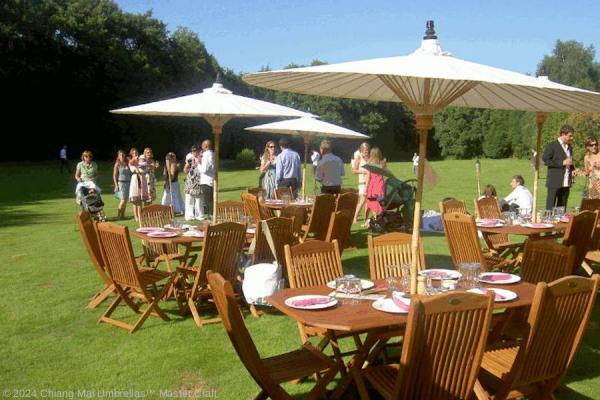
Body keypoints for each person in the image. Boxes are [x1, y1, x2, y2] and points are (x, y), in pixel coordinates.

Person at [543, 124, 575, 209]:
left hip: (566, 182)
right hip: (554, 181)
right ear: (563, 134)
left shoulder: (570, 147)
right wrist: (562, 162)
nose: (572, 138)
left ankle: (560, 222)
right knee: (550, 206)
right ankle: (548, 221)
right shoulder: (552, 146)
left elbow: (569, 162)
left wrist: (573, 169)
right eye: (570, 136)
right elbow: (546, 160)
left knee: (562, 207)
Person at [365, 147, 387, 227]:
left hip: (373, 186)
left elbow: (368, 177)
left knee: (373, 204)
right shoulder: (383, 163)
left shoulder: (369, 164)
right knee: (380, 203)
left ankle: (376, 221)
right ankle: (380, 221)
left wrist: (366, 188)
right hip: (380, 186)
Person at [128, 147, 149, 222]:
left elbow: (146, 169)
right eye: (133, 153)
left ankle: (140, 216)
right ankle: (136, 216)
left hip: (142, 179)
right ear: (131, 154)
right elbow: (133, 169)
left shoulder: (142, 161)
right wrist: (135, 164)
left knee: (140, 200)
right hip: (135, 180)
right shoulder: (131, 162)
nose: (135, 154)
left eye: (136, 152)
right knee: (135, 200)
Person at [352, 142, 370, 224]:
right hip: (362, 182)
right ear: (362, 150)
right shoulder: (359, 158)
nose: (367, 151)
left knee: (368, 202)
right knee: (362, 200)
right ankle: (355, 217)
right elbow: (353, 171)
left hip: (370, 182)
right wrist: (363, 171)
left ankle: (366, 219)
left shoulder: (370, 158)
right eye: (365, 150)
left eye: (368, 150)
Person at [184, 145, 202, 220]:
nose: (194, 152)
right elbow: (185, 170)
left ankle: (199, 215)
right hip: (190, 181)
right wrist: (187, 167)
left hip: (198, 181)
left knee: (199, 199)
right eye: (193, 151)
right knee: (189, 199)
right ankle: (189, 216)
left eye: (195, 150)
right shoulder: (189, 159)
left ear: (198, 150)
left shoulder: (201, 158)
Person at [112, 149, 131, 220]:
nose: (122, 156)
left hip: (128, 183)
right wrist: (116, 185)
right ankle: (118, 215)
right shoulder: (117, 164)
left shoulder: (127, 162)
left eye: (123, 154)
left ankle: (123, 215)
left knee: (125, 200)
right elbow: (114, 175)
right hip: (121, 183)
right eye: (120, 155)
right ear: (118, 156)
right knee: (122, 200)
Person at [198, 139, 215, 219]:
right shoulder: (212, 154)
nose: (201, 146)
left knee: (208, 201)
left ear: (206, 146)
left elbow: (204, 169)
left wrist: (198, 164)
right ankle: (210, 216)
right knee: (209, 200)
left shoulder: (206, 155)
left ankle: (211, 217)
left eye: (202, 145)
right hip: (210, 180)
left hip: (206, 181)